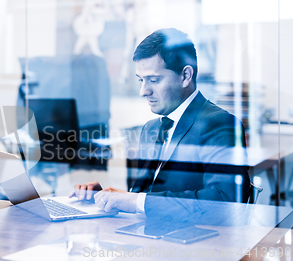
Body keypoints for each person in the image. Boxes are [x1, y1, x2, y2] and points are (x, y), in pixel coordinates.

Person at [70, 28, 250, 217]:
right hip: (149, 237)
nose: (143, 91)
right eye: (141, 80)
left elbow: (225, 201)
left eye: (153, 80)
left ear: (186, 76)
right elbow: (144, 200)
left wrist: (134, 201)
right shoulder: (151, 128)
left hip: (192, 243)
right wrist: (107, 197)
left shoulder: (220, 123)